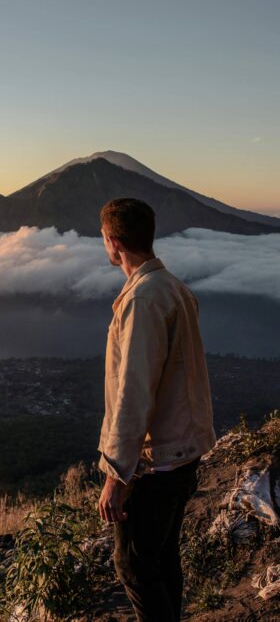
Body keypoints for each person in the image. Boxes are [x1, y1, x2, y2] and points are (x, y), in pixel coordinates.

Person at [96, 197, 217, 622]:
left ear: (113, 242)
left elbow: (134, 393)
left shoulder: (143, 300)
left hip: (156, 463)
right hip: (183, 452)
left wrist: (115, 474)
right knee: (162, 561)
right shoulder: (174, 289)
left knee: (134, 567)